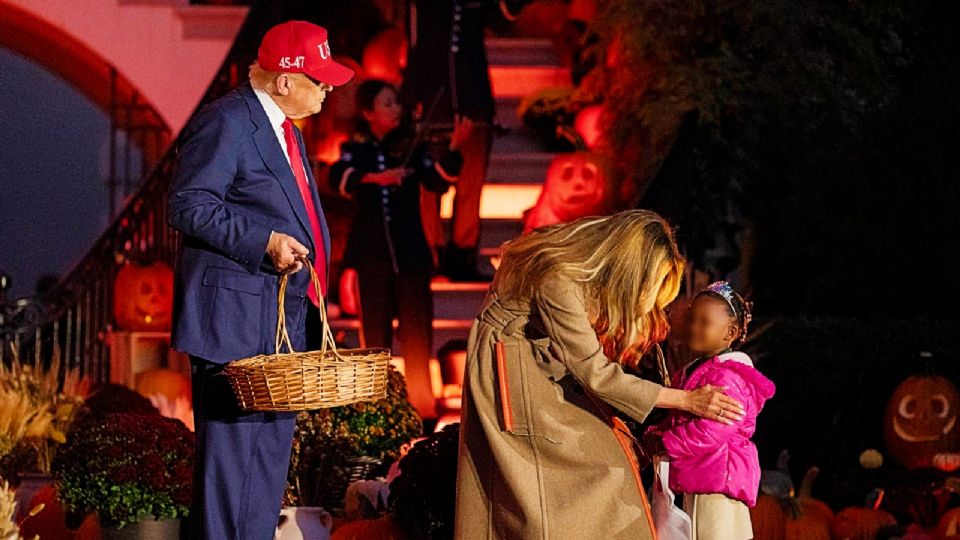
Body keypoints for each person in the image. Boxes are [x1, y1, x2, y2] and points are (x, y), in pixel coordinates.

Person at [167, 21, 354, 540]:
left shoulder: (284, 130)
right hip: (233, 324)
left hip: (277, 323)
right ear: (284, 81)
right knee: (232, 474)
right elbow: (188, 204)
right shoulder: (228, 121)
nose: (328, 89)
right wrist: (262, 241)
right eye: (318, 79)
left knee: (262, 474)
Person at [455, 210, 746, 539]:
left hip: (536, 364)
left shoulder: (572, 273)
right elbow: (597, 374)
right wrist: (687, 400)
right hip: (513, 374)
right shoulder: (559, 280)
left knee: (607, 452)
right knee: (576, 471)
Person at [328, 79, 473, 417]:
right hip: (371, 257)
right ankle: (376, 409)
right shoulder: (356, 150)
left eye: (397, 103)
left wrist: (453, 147)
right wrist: (372, 179)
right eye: (387, 104)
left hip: (412, 257)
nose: (396, 110)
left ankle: (422, 408)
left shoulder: (415, 148)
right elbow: (338, 175)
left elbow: (438, 180)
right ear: (368, 113)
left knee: (417, 338)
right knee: (374, 339)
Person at [656, 281, 776, 540]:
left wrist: (666, 442)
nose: (693, 327)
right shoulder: (689, 372)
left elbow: (714, 429)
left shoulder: (729, 376)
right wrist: (657, 434)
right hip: (701, 475)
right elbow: (679, 416)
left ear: (729, 332)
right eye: (691, 318)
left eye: (704, 322)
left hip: (719, 479)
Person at [400, 0, 499, 281]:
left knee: (472, 181)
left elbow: (502, 16)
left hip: (474, 98)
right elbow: (416, 41)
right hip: (434, 98)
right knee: (428, 185)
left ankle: (462, 256)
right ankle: (430, 255)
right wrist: (413, 98)